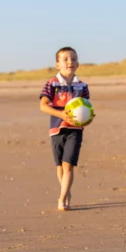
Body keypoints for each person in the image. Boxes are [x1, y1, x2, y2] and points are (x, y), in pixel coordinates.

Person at [39, 47, 93, 211]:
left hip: (75, 131)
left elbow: (87, 108)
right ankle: (67, 191)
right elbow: (43, 106)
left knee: (68, 165)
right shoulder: (52, 84)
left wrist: (87, 119)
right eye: (66, 59)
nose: (70, 62)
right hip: (56, 129)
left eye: (74, 59)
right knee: (60, 167)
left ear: (78, 64)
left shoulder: (82, 86)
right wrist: (61, 114)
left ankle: (62, 198)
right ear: (57, 64)